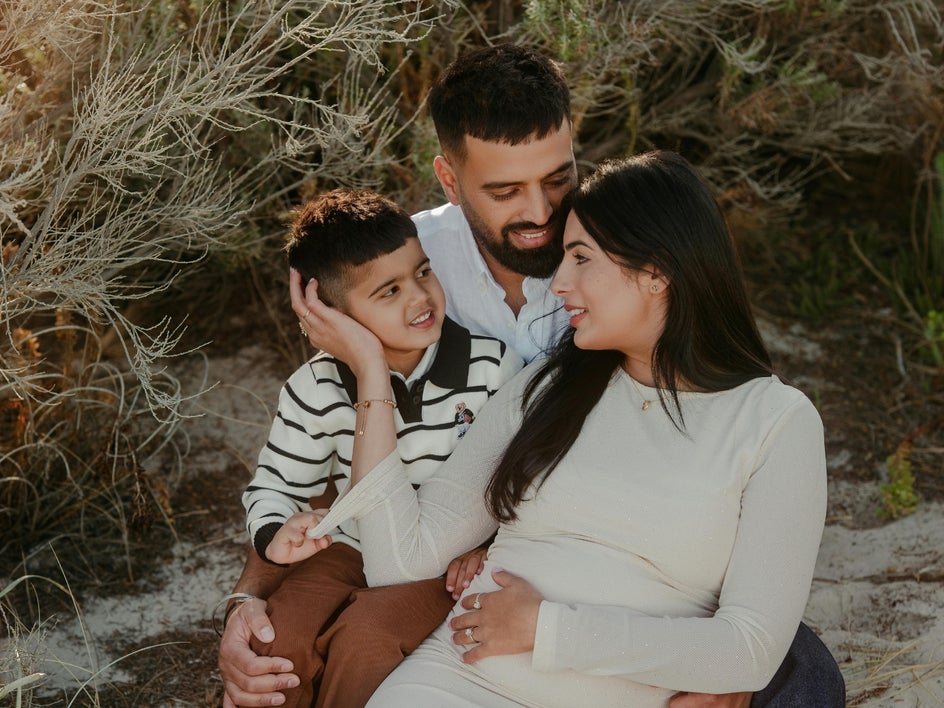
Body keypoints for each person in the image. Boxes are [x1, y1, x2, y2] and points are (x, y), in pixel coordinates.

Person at [219, 44, 844, 707]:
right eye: (506, 190)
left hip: (591, 630)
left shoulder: (768, 417)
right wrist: (246, 597)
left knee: (803, 676)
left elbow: (744, 635)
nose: (544, 220)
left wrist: (571, 635)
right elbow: (324, 472)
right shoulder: (406, 274)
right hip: (462, 626)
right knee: (328, 644)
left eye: (557, 183)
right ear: (451, 180)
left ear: (658, 272)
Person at [237, 187, 523, 708]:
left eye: (421, 272)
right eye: (387, 291)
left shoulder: (489, 366)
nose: (420, 297)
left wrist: (487, 547)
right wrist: (276, 532)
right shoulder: (316, 388)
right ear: (330, 314)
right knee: (278, 640)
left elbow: (515, 478)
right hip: (345, 548)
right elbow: (277, 484)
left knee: (367, 642)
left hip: (437, 560)